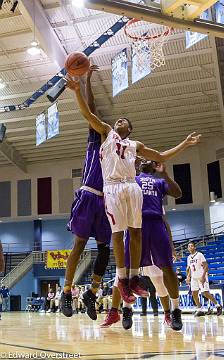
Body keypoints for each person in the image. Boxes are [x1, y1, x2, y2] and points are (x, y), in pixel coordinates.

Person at [67, 75, 201, 307]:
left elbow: (160, 156)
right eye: (118, 119)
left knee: (135, 233)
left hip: (131, 187)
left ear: (129, 129)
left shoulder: (135, 145)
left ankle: (134, 277)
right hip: (112, 188)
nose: (118, 120)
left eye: (123, 121)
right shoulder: (106, 132)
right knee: (118, 235)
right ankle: (122, 279)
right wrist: (77, 90)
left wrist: (185, 144)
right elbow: (88, 114)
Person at [101, 162, 183, 330]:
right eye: (142, 160)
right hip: (135, 226)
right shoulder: (131, 181)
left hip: (156, 224)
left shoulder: (159, 182)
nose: (146, 161)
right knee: (126, 272)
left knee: (167, 268)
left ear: (154, 168)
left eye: (149, 161)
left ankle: (175, 311)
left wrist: (165, 174)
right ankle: (127, 309)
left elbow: (178, 193)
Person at [61, 66, 112, 320]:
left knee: (105, 250)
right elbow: (91, 110)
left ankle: (91, 293)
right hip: (88, 195)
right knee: (79, 245)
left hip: (105, 203)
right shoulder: (97, 138)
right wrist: (87, 81)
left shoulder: (120, 150)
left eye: (121, 123)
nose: (115, 124)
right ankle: (67, 291)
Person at [186, 242, 223, 316]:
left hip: (201, 276)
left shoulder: (199, 255)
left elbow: (206, 266)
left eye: (192, 246)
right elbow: (190, 268)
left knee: (205, 293)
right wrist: (188, 277)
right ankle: (200, 309)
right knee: (194, 294)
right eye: (189, 246)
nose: (190, 247)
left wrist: (203, 277)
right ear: (188, 248)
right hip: (194, 277)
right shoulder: (189, 257)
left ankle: (218, 305)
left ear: (194, 247)